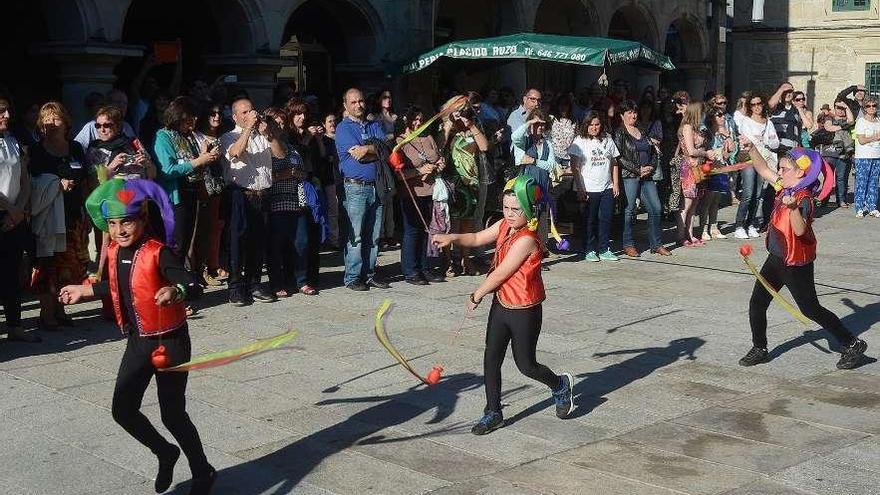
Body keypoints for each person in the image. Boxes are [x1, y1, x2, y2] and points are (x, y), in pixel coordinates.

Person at [59, 179, 216, 495]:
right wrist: (84, 290)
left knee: (173, 414)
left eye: (126, 221)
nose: (119, 230)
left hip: (170, 341)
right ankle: (165, 452)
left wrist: (176, 290)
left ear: (142, 219)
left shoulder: (159, 253)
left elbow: (194, 284)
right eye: (113, 224)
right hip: (138, 341)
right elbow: (118, 286)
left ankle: (203, 472)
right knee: (122, 410)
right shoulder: (116, 252)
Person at [431, 175, 575, 435]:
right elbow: (475, 238)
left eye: (515, 209)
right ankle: (493, 411)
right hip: (502, 304)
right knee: (491, 358)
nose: (509, 214)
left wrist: (477, 294)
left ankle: (560, 384)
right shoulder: (503, 226)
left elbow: (501, 273)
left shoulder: (527, 239)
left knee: (526, 365)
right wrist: (451, 237)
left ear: (529, 209)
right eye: (506, 208)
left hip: (525, 309)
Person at [736, 144, 867, 370]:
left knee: (811, 309)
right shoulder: (784, 187)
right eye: (781, 167)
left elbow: (799, 230)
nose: (780, 171)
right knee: (757, 303)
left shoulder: (803, 198)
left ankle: (853, 343)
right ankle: (760, 347)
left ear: (800, 173)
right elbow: (762, 169)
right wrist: (752, 149)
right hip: (776, 259)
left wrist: (794, 208)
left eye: (785, 168)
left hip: (796, 263)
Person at [153, 97, 221, 305]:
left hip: (191, 194)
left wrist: (204, 156)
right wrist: (198, 161)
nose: (193, 121)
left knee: (183, 247)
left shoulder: (189, 136)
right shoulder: (163, 136)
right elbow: (167, 169)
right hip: (174, 198)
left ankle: (180, 292)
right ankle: (168, 292)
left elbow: (193, 163)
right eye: (189, 117)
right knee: (174, 246)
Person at [29, 101, 89, 330]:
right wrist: (55, 184)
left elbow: (83, 180)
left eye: (55, 119)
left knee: (69, 266)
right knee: (47, 265)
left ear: (66, 123)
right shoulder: (35, 151)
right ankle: (46, 314)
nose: (50, 124)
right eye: (45, 120)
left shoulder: (75, 148)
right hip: (47, 218)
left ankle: (60, 308)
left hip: (73, 216)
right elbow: (31, 185)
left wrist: (87, 213)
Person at [220, 96, 277, 304]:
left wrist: (268, 134)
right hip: (240, 195)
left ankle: (254, 283)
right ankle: (235, 286)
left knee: (258, 242)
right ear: (235, 116)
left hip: (263, 194)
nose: (249, 115)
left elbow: (280, 153)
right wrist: (248, 129)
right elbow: (235, 153)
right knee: (237, 242)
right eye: (244, 112)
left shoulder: (263, 134)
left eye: (251, 110)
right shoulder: (228, 136)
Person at [335, 88, 391, 291]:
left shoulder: (373, 124)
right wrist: (373, 149)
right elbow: (356, 155)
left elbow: (386, 149)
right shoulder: (343, 128)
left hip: (376, 186)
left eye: (360, 101)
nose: (358, 105)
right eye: (353, 102)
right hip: (355, 187)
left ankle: (369, 273)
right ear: (345, 105)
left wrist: (367, 148)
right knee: (356, 235)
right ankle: (352, 276)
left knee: (374, 234)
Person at [0, 92, 40, 342]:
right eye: (0, 111)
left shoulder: (12, 140)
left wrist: (19, 209)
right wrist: (10, 208)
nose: (6, 115)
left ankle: (15, 325)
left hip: (14, 212)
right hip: (6, 209)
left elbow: (24, 177)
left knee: (12, 270)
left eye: (6, 110)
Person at [397, 106, 446, 284]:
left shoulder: (429, 138)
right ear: (407, 121)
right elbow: (399, 173)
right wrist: (419, 171)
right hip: (412, 192)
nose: (418, 123)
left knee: (427, 230)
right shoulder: (401, 142)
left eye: (420, 119)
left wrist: (440, 163)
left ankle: (425, 268)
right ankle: (411, 271)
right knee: (412, 230)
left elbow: (438, 157)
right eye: (414, 119)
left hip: (431, 190)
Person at [614, 100, 669, 257]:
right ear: (622, 115)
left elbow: (653, 152)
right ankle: (628, 243)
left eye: (635, 112)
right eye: (629, 112)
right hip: (630, 176)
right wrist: (637, 169)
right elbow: (618, 157)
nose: (633, 115)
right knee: (630, 210)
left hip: (647, 176)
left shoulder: (642, 131)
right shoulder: (620, 133)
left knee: (656, 208)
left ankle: (656, 244)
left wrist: (651, 166)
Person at [442, 105, 490, 276]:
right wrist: (449, 126)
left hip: (471, 184)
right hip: (453, 182)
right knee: (451, 225)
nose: (460, 116)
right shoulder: (448, 131)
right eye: (458, 113)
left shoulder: (472, 131)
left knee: (468, 225)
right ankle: (449, 262)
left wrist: (471, 125)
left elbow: (484, 147)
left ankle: (466, 261)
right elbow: (440, 149)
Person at [569, 112, 620, 262]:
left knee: (606, 218)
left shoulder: (608, 139)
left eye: (597, 124)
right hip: (589, 187)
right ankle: (589, 249)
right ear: (586, 125)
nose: (594, 127)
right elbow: (575, 167)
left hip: (606, 187)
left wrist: (615, 183)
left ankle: (604, 248)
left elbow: (614, 162)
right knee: (589, 220)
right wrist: (580, 188)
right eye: (591, 124)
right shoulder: (580, 141)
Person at [733, 92, 779, 239]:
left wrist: (764, 141)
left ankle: (751, 224)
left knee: (758, 194)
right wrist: (762, 141)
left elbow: (775, 142)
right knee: (748, 192)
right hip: (749, 159)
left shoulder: (768, 122)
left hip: (764, 160)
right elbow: (747, 140)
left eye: (759, 103)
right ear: (749, 107)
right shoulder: (746, 121)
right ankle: (739, 225)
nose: (757, 107)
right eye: (753, 104)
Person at [193, 102, 228, 284]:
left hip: (221, 186)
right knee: (204, 229)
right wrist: (205, 154)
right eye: (212, 113)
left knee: (217, 227)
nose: (216, 117)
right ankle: (203, 269)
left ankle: (214, 265)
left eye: (219, 113)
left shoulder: (222, 137)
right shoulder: (197, 137)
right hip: (203, 188)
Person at [699, 107, 738, 240]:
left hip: (721, 167)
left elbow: (730, 152)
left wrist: (727, 136)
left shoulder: (724, 132)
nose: (722, 117)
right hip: (710, 168)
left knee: (716, 199)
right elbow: (704, 148)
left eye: (723, 115)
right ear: (712, 118)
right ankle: (703, 228)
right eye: (719, 115)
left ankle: (714, 227)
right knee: (708, 199)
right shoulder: (707, 132)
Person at [814, 101, 855, 207]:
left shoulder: (846, 119)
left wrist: (846, 106)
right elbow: (828, 127)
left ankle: (841, 200)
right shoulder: (829, 118)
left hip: (843, 153)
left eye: (843, 108)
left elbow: (851, 120)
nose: (841, 110)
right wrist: (843, 127)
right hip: (830, 152)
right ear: (834, 109)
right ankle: (824, 200)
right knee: (829, 177)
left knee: (841, 178)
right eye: (839, 108)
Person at [853, 95, 880, 218]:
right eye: (868, 106)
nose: (871, 108)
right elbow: (862, 140)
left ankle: (872, 206)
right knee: (862, 182)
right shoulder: (861, 121)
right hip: (863, 156)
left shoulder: (878, 121)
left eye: (874, 106)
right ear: (865, 108)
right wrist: (875, 137)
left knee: (874, 182)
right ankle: (859, 207)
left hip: (877, 156)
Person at [768, 82, 803, 153]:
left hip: (793, 150)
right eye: (785, 92)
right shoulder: (776, 107)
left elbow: (799, 128)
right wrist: (781, 89)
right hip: (778, 148)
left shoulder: (796, 109)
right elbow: (770, 105)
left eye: (790, 92)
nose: (788, 94)